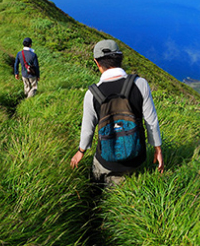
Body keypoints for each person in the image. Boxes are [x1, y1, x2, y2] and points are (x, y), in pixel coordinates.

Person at [70, 39, 164, 186]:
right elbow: (151, 121)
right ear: (120, 58)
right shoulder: (140, 84)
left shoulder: (92, 94)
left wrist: (80, 152)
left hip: (107, 162)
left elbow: (88, 130)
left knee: (99, 184)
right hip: (136, 159)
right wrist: (157, 149)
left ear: (97, 62)